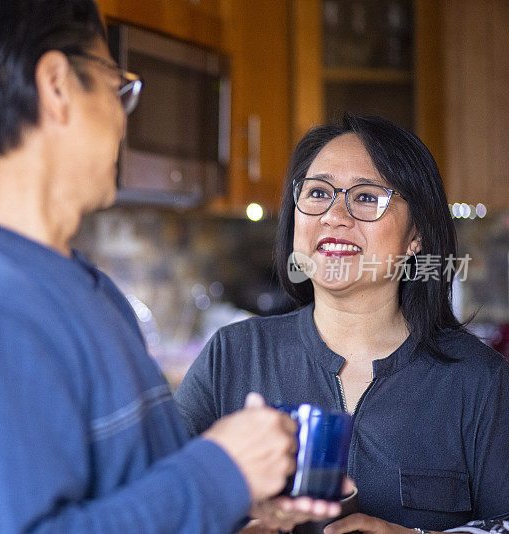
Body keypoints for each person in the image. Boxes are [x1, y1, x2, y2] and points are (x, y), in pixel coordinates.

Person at [0, 1, 342, 532]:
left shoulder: (76, 286)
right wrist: (220, 471)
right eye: (117, 86)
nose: (124, 118)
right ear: (56, 86)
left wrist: (235, 504)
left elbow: (123, 495)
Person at [174, 113, 509, 534]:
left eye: (367, 197)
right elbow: (156, 502)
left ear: (416, 236)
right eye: (317, 192)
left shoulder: (480, 381)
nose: (335, 215)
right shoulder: (232, 357)